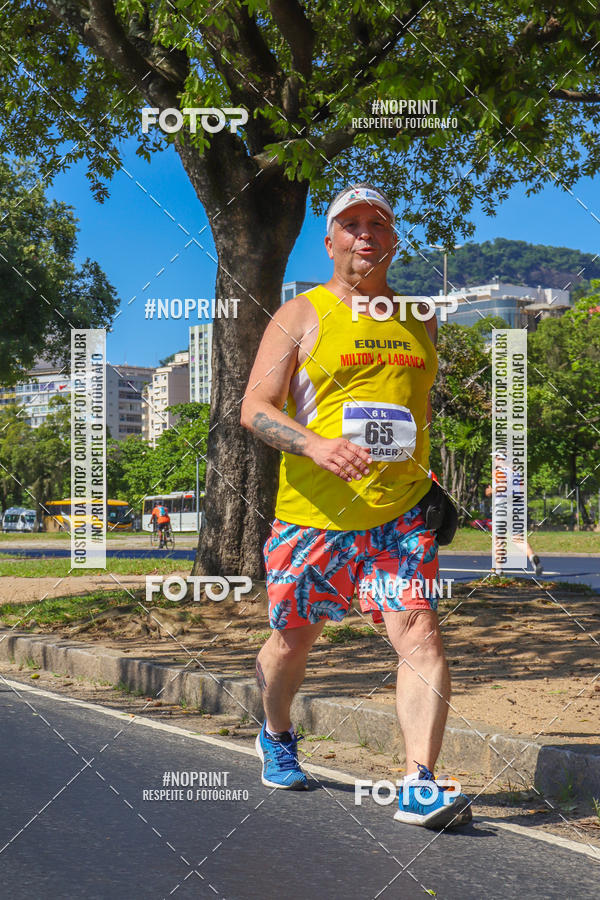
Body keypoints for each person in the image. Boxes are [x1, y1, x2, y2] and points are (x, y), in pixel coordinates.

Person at [240, 182, 471, 829]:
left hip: (397, 516)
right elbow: (254, 408)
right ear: (330, 239)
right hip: (313, 518)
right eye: (351, 224)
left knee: (419, 633)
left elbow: (414, 409)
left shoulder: (419, 317)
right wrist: (314, 445)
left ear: (393, 239)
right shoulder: (300, 315)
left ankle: (419, 783)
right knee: (294, 640)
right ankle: (277, 733)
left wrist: (426, 481)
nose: (364, 234)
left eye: (377, 224)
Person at [486, 453, 543, 576]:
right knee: (518, 539)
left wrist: (491, 490)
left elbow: (501, 487)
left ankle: (498, 571)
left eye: (496, 457)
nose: (494, 460)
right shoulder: (516, 474)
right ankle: (532, 557)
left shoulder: (498, 472)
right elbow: (521, 491)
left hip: (501, 508)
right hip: (515, 508)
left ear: (501, 460)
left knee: (498, 539)